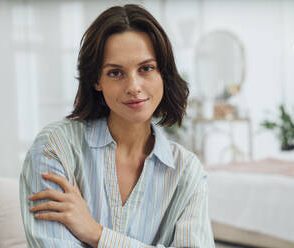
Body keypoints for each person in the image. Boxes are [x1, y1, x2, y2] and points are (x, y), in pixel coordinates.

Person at [19, 4, 215, 248]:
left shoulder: (187, 173)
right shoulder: (55, 148)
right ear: (96, 80)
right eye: (115, 73)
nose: (133, 86)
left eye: (146, 68)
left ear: (163, 73)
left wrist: (97, 234)